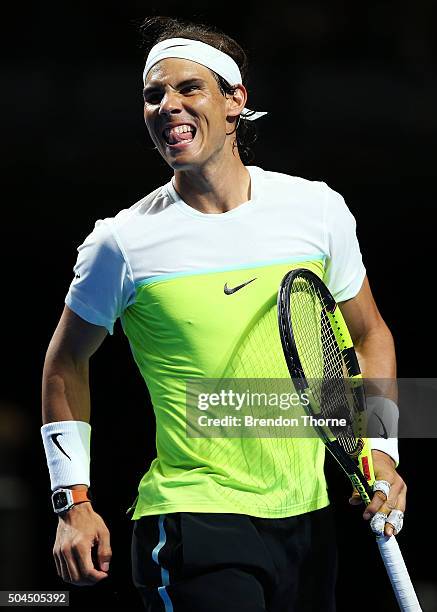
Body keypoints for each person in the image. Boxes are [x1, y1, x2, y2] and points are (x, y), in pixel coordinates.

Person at [41, 16, 407, 612]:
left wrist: (384, 451)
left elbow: (370, 335)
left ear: (236, 100)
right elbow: (64, 364)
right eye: (153, 95)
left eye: (189, 89)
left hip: (307, 518)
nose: (168, 106)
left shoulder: (316, 210)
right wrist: (72, 502)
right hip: (194, 520)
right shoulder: (122, 243)